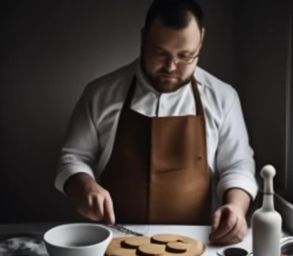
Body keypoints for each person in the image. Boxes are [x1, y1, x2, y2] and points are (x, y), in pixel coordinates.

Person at [55, 0, 258, 245]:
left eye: (185, 56)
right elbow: (72, 158)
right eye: (160, 53)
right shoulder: (99, 94)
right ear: (143, 38)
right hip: (116, 240)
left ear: (201, 41)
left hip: (197, 242)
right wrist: (85, 186)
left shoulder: (224, 97)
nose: (171, 67)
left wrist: (236, 208)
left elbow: (238, 165)